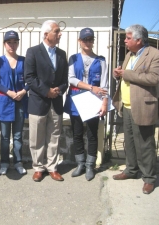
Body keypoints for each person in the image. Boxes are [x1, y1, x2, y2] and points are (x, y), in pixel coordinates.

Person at [112, 24, 159, 194]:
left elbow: (154, 78)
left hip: (143, 106)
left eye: (128, 38)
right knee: (130, 142)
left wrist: (125, 74)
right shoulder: (129, 55)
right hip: (126, 105)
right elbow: (124, 76)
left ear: (138, 40)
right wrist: (117, 73)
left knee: (145, 143)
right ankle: (131, 170)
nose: (125, 41)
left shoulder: (156, 55)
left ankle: (149, 178)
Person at [24, 20, 68, 182]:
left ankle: (52, 167)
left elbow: (65, 79)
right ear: (46, 34)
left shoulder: (62, 54)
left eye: (59, 31)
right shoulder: (33, 52)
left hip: (56, 102)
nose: (60, 34)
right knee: (36, 137)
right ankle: (38, 167)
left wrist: (59, 90)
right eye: (56, 31)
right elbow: (29, 77)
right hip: (38, 102)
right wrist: (46, 91)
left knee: (54, 136)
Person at [63, 28, 108, 181]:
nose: (87, 42)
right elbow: (71, 78)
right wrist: (90, 87)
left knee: (92, 134)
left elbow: (104, 84)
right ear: (79, 41)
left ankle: (90, 165)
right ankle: (80, 163)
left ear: (93, 41)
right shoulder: (73, 58)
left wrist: (104, 103)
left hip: (94, 100)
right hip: (76, 99)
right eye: (85, 39)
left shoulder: (101, 60)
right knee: (77, 133)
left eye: (90, 39)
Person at [0, 30, 29, 175]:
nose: (12, 45)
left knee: (18, 135)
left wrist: (24, 91)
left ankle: (18, 162)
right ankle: (4, 162)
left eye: (15, 42)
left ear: (18, 43)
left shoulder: (24, 61)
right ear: (4, 44)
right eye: (9, 42)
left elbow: (30, 80)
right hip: (4, 103)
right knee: (5, 136)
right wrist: (9, 92)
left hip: (20, 101)